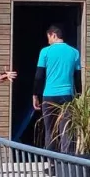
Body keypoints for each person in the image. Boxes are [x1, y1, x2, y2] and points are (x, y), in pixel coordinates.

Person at [34, 24, 81, 154]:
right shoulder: (74, 52)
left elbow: (39, 76)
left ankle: (52, 164)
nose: (48, 41)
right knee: (67, 130)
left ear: (53, 35)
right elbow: (77, 77)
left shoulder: (45, 51)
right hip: (67, 96)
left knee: (50, 131)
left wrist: (35, 95)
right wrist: (79, 95)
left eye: (48, 37)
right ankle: (68, 165)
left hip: (49, 95)